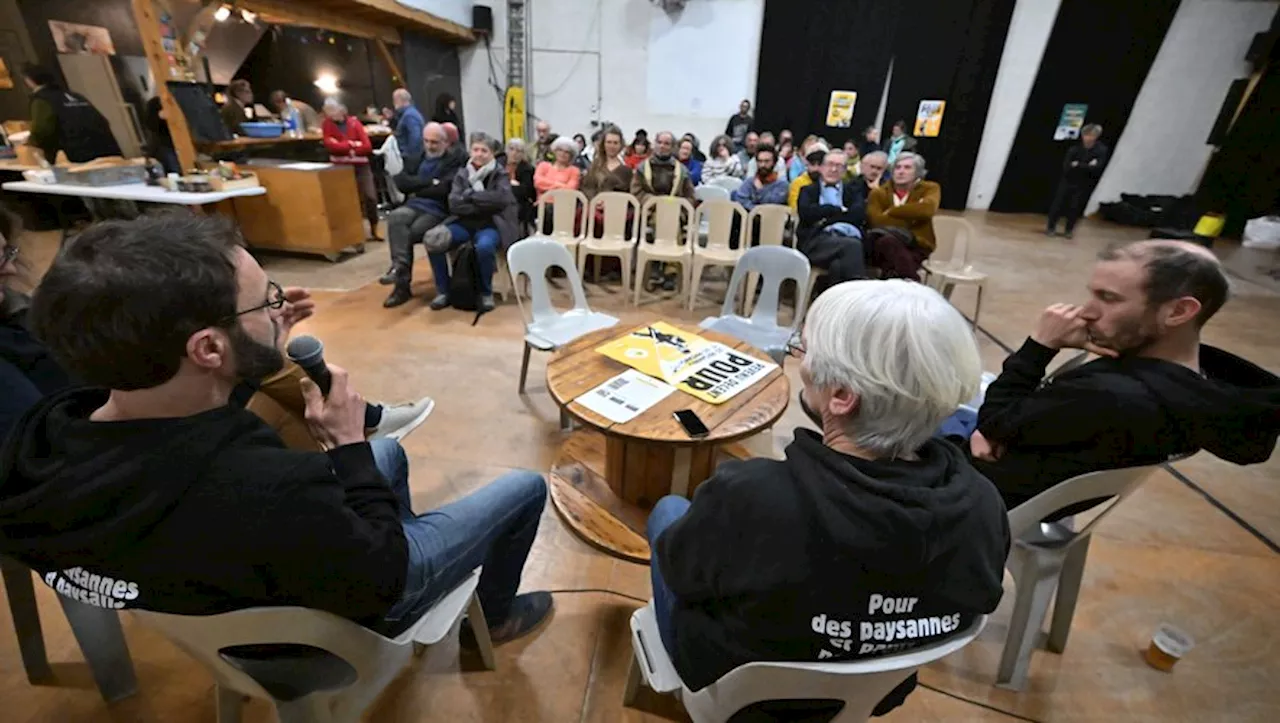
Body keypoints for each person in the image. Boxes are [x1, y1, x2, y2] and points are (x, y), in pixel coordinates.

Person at [0, 213, 552, 644]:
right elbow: (379, 577)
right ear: (208, 347)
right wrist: (349, 445)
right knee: (525, 487)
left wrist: (254, 342)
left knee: (392, 458)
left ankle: (391, 522)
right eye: (267, 299)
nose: (280, 305)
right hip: (346, 612)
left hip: (211, 598)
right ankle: (496, 616)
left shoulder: (44, 439)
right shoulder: (269, 486)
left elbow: (189, 444)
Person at [648, 279, 1010, 718]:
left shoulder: (752, 496)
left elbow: (683, 577)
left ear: (841, 396)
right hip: (875, 693)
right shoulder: (985, 505)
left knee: (669, 512)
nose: (800, 361)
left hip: (740, 693)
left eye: (805, 350)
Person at [966, 240, 1280, 512]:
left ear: (1178, 312)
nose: (1087, 312)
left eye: (1109, 298)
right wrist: (1000, 426)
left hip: (970, 496)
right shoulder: (1195, 386)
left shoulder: (1110, 395)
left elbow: (994, 421)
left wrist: (1039, 346)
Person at [428, 132, 519, 312]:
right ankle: (443, 291)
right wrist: (481, 203)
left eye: (484, 150)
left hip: (490, 224)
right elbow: (454, 203)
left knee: (484, 247)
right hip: (463, 223)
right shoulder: (462, 174)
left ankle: (485, 293)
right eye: (475, 149)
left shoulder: (499, 174)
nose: (479, 154)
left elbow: (500, 199)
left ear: (492, 154)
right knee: (433, 239)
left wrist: (469, 196)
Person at [381, 122, 464, 307]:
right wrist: (429, 183)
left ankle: (401, 279)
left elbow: (444, 188)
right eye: (426, 141)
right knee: (395, 218)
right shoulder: (416, 157)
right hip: (414, 205)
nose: (430, 146)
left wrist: (418, 186)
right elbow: (401, 182)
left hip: (438, 209)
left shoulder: (454, 160)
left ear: (445, 142)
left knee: (411, 233)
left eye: (434, 142)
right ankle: (400, 275)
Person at [796, 150, 867, 291]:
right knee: (852, 246)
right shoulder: (808, 191)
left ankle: (831, 306)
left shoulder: (853, 191)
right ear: (821, 167)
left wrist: (824, 217)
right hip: (815, 241)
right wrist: (837, 210)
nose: (833, 169)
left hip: (843, 240)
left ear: (845, 170)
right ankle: (859, 296)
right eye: (830, 164)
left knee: (838, 265)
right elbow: (806, 214)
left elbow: (858, 215)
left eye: (839, 166)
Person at [21, 63, 120, 163]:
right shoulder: (74, 95)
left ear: (29, 80)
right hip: (109, 150)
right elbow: (101, 120)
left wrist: (28, 146)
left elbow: (42, 130)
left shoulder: (42, 100)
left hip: (80, 155)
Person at [866, 152, 940, 280]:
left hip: (917, 245)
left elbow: (927, 210)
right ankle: (912, 282)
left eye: (907, 168)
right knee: (888, 243)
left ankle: (897, 284)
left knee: (892, 265)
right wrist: (913, 215)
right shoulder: (878, 193)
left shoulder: (930, 188)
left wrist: (891, 211)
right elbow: (877, 221)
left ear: (918, 172)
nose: (901, 171)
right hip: (884, 244)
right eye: (897, 167)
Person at [322, 100, 381, 242]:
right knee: (348, 200)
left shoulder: (355, 123)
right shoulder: (327, 125)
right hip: (340, 168)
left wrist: (344, 146)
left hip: (361, 166)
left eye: (332, 110)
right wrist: (352, 144)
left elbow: (367, 146)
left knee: (370, 196)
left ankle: (374, 228)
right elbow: (330, 146)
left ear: (342, 110)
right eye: (327, 110)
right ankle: (354, 234)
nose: (329, 113)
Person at [1047, 124, 1110, 239]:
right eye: (1086, 135)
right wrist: (1087, 165)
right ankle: (1051, 227)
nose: (1088, 138)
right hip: (1068, 180)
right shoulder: (1074, 148)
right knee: (1058, 204)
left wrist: (1078, 165)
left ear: (1096, 137)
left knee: (1074, 207)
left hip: (1083, 183)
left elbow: (1097, 167)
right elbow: (1067, 166)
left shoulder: (1101, 150)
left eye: (1091, 136)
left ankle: (1068, 230)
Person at [731, 145, 788, 212]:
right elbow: (740, 199)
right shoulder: (750, 181)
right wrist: (754, 209)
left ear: (774, 163)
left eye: (767, 161)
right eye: (760, 161)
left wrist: (761, 190)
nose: (762, 165)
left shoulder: (782, 184)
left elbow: (772, 205)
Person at [581, 125, 633, 198]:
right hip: (595, 206)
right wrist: (596, 200)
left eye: (615, 143)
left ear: (620, 145)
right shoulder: (595, 165)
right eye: (609, 142)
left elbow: (628, 195)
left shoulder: (626, 170)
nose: (612, 146)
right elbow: (587, 188)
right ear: (603, 144)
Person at [533, 136, 582, 200]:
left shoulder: (574, 171)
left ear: (571, 155)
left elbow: (570, 190)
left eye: (567, 152)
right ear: (555, 151)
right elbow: (538, 183)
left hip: (564, 204)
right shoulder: (543, 165)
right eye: (560, 150)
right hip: (543, 205)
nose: (563, 154)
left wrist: (548, 187)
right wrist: (560, 185)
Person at [504, 137, 537, 230]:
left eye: (519, 151)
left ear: (523, 154)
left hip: (518, 202)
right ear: (506, 150)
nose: (514, 153)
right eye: (511, 149)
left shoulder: (527, 169)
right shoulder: (499, 164)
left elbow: (525, 191)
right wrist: (512, 184)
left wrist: (506, 185)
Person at [386, 88, 425, 166]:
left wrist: (410, 159)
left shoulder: (409, 116)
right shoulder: (408, 114)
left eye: (394, 100)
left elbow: (415, 138)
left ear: (399, 100)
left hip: (409, 159)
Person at [787, 141, 828, 211]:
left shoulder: (831, 181)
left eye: (820, 164)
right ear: (806, 164)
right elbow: (794, 210)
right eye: (812, 164)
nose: (816, 168)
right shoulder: (797, 183)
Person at [143, 96, 179, 174]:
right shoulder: (156, 103)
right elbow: (149, 124)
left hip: (183, 144)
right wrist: (159, 116)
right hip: (165, 145)